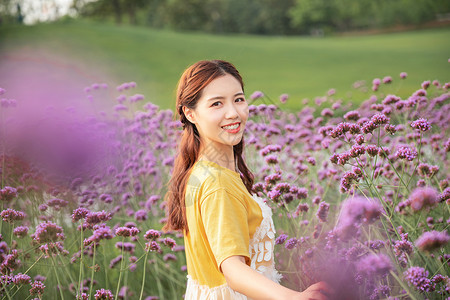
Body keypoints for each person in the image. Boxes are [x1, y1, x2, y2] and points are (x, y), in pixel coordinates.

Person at [163, 60, 332, 300]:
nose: (233, 113)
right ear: (191, 113)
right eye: (217, 103)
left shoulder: (200, 171)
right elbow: (234, 271)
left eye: (239, 99)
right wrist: (296, 298)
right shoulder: (218, 183)